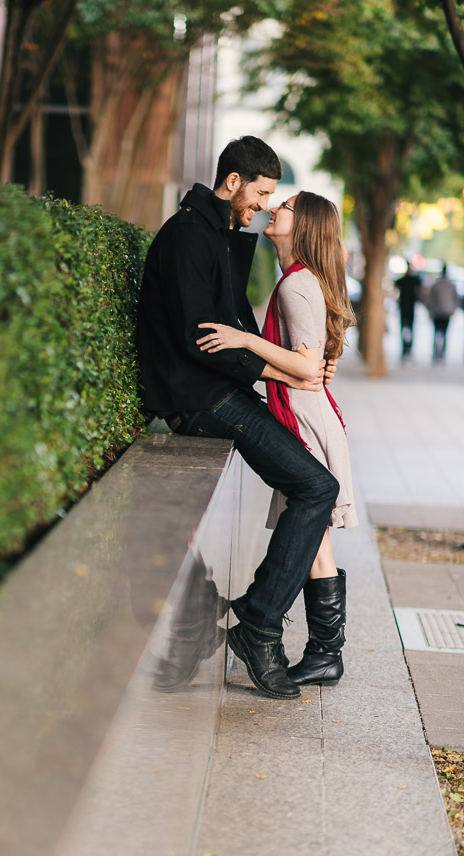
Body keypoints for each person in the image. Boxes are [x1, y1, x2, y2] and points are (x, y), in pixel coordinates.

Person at [135, 137, 340, 701]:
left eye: (273, 197)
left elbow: (231, 326)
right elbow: (204, 339)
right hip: (200, 398)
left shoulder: (217, 234)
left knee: (316, 487)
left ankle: (249, 620)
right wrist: (281, 375)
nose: (265, 205)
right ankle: (259, 628)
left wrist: (286, 369)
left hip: (221, 392)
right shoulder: (187, 237)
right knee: (317, 486)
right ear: (233, 183)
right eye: (263, 192)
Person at [198, 192, 357, 686]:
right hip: (307, 415)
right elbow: (318, 359)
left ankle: (291, 634)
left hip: (305, 421)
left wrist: (243, 339)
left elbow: (308, 364)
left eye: (285, 205)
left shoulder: (295, 285)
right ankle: (324, 652)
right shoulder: (304, 280)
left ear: (302, 224)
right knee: (316, 540)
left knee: (313, 533)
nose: (273, 208)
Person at [428, 264, 458, 363]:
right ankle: (442, 355)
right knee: (444, 334)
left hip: (437, 312)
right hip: (447, 312)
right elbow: (455, 299)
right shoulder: (451, 285)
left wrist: (431, 311)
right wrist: (453, 309)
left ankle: (435, 355)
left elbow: (431, 299)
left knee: (436, 333)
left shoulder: (436, 285)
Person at [394, 263, 422, 360]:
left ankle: (407, 348)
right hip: (407, 308)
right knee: (407, 328)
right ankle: (406, 348)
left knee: (407, 328)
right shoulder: (412, 280)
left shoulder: (407, 280)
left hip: (406, 308)